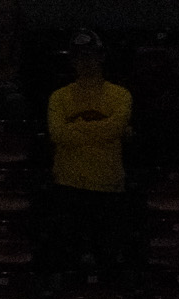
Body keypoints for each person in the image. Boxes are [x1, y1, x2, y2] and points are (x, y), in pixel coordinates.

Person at [48, 28, 133, 266]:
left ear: (101, 56)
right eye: (79, 56)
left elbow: (115, 129)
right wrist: (100, 129)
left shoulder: (121, 95)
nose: (85, 61)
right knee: (69, 260)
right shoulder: (58, 97)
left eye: (90, 55)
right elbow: (57, 133)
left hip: (108, 187)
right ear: (72, 60)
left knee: (108, 260)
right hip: (69, 186)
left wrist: (77, 126)